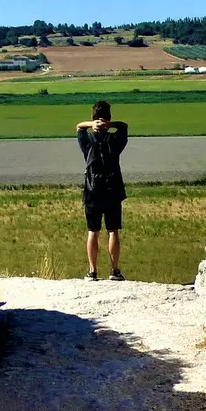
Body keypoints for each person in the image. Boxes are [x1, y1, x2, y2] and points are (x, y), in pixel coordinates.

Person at [76, 100, 128, 281]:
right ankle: (114, 271)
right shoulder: (115, 140)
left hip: (92, 191)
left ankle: (92, 271)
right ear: (109, 118)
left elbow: (79, 128)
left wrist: (91, 124)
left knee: (93, 231)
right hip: (113, 189)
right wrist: (110, 125)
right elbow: (124, 127)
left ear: (93, 119)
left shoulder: (87, 141)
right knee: (113, 230)